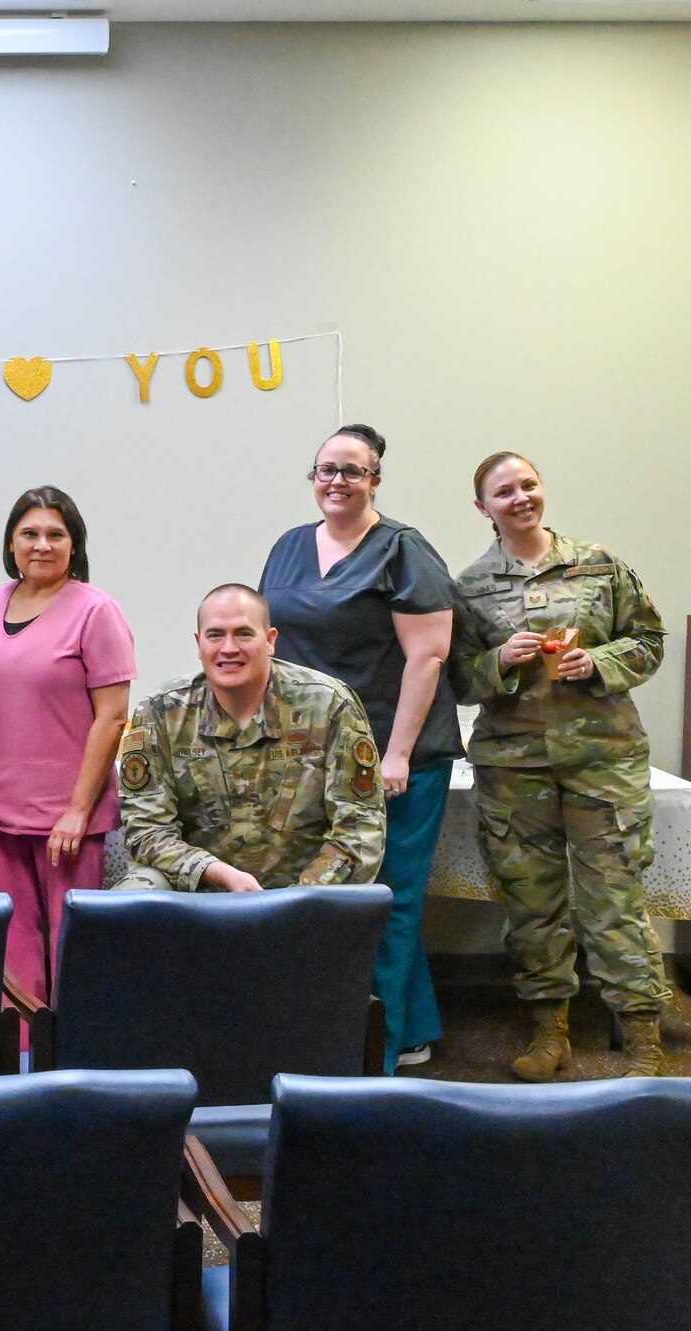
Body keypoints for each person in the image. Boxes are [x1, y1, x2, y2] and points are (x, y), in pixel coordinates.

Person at [455, 451, 672, 1079]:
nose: (520, 497)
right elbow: (459, 679)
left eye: (528, 485)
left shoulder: (599, 565)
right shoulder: (469, 586)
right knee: (532, 902)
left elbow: (650, 640)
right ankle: (550, 1033)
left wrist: (599, 664)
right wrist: (500, 661)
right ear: (483, 508)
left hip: (603, 761)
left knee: (615, 900)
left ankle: (642, 1043)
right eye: (504, 492)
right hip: (514, 765)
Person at [259, 424, 459, 1070]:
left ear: (375, 478)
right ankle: (419, 1025)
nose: (337, 481)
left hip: (397, 755)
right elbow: (273, 647)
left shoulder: (403, 550)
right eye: (326, 469)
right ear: (312, 478)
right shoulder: (290, 547)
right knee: (355, 896)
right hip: (317, 755)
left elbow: (427, 657)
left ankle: (380, 1054)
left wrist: (396, 754)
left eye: (352, 469)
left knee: (388, 902)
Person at [0, 487, 134, 1026]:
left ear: (74, 546)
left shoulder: (97, 611)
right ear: (11, 541)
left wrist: (78, 810)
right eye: (30, 533)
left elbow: (113, 717)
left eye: (56, 534)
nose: (42, 545)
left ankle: (76, 1059)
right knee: (11, 942)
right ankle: (21, 1062)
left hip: (67, 816)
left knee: (72, 943)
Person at [117, 585, 386, 893]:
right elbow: (147, 830)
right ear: (199, 642)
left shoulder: (328, 705)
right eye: (216, 635)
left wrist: (297, 900)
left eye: (243, 634)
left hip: (303, 898)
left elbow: (359, 831)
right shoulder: (161, 712)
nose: (228, 648)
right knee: (135, 892)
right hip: (197, 893)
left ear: (270, 640)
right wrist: (214, 872)